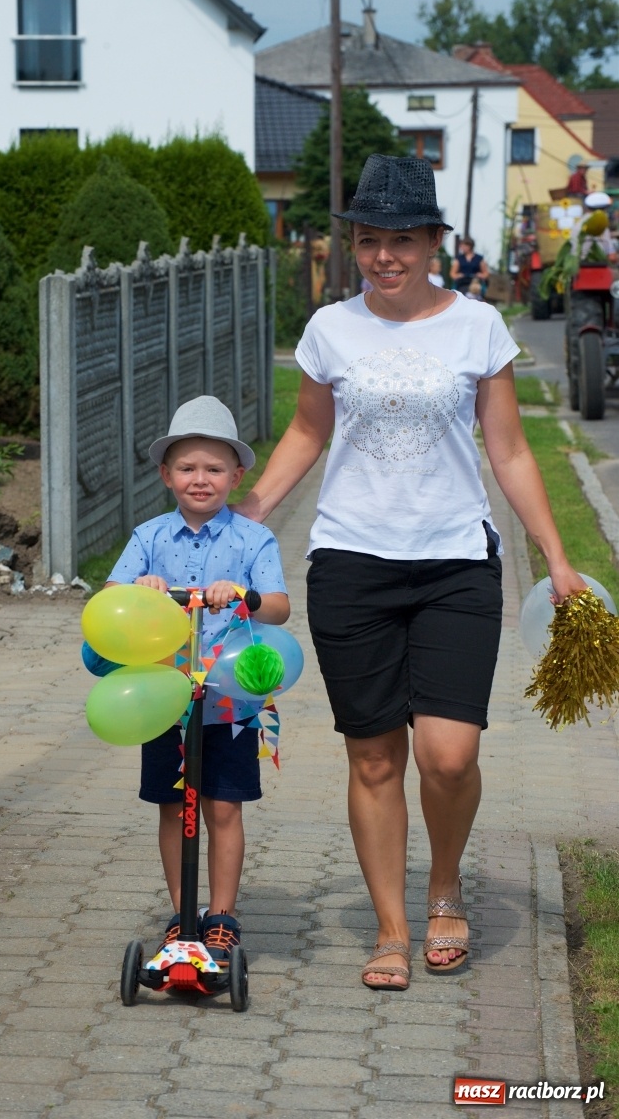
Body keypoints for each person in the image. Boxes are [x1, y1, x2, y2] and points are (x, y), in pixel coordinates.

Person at [233, 154, 585, 991]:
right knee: (375, 758)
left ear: (433, 242)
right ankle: (391, 928)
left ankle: (446, 884)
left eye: (401, 239)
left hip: (457, 563)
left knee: (449, 756)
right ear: (353, 245)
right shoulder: (330, 330)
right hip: (351, 563)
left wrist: (559, 560)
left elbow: (508, 450)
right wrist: (250, 511)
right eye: (369, 240)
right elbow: (307, 434)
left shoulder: (478, 327)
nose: (383, 256)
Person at [106, 395, 290, 965]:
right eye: (187, 468)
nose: (200, 479)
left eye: (214, 469)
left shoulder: (252, 539)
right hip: (165, 697)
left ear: (236, 475)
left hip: (229, 700)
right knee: (171, 805)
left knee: (223, 807)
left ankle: (221, 917)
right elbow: (110, 598)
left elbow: (280, 607)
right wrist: (145, 589)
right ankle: (183, 914)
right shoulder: (149, 537)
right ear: (166, 475)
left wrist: (243, 595)